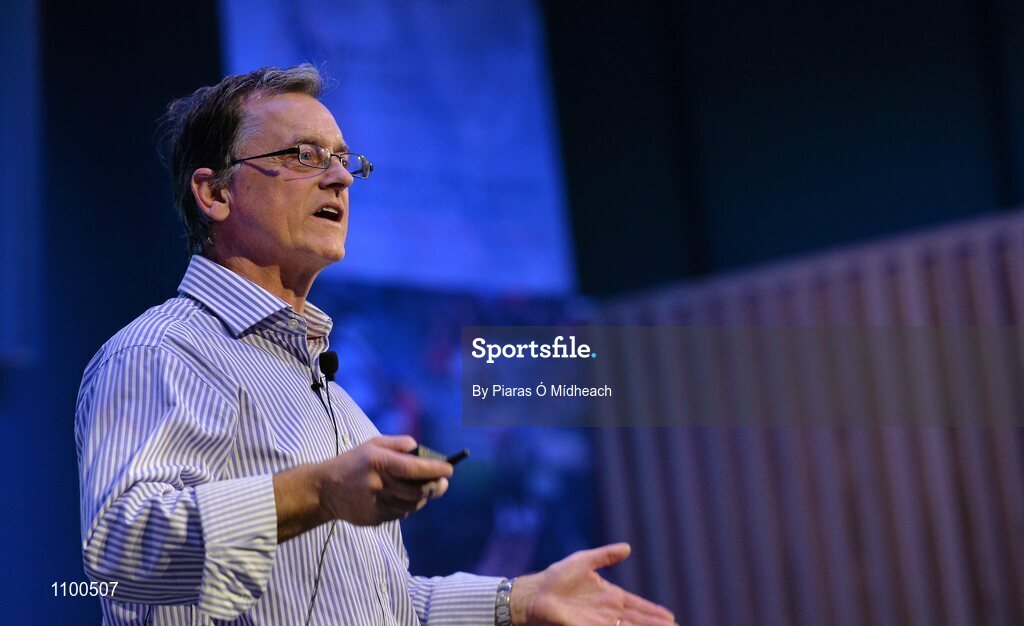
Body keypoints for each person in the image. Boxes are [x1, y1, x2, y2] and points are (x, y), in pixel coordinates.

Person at [75, 64, 676, 626]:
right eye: (301, 156)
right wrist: (319, 491)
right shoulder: (162, 352)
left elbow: (377, 603)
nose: (338, 177)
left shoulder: (339, 408)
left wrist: (516, 598)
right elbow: (120, 555)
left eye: (341, 161)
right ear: (214, 194)